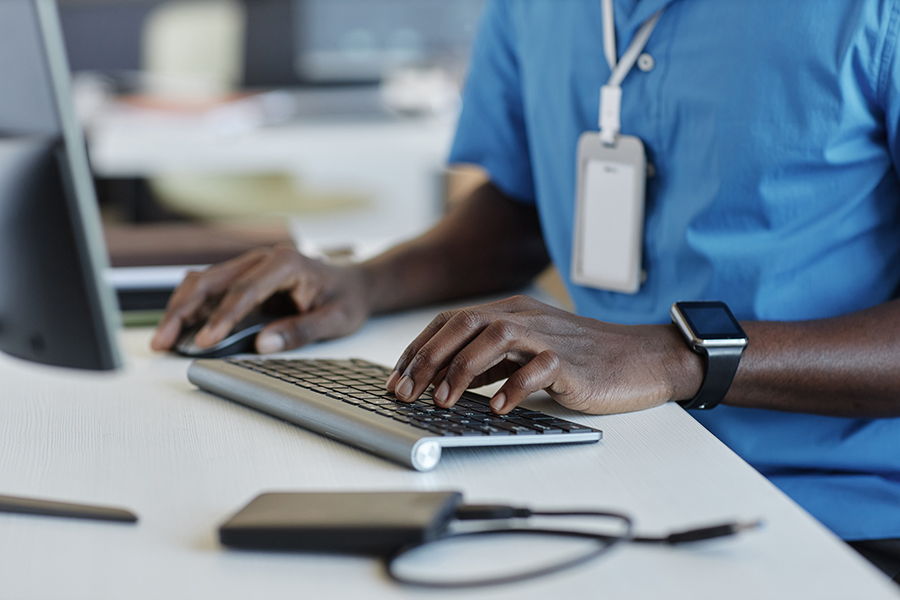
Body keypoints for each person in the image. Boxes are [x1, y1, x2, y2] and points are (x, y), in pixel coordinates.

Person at [152, 0, 900, 582]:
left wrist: (674, 358)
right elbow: (520, 207)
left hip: (830, 519)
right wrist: (362, 282)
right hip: (603, 469)